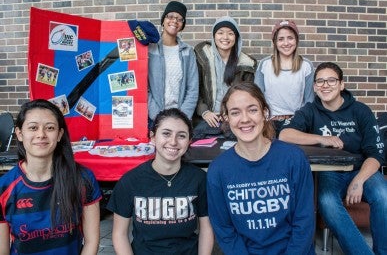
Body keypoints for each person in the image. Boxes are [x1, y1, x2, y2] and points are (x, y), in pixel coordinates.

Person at [279, 62, 387, 255]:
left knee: (383, 196)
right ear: (314, 87)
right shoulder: (310, 110)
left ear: (341, 85)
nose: (325, 85)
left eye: (331, 80)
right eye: (320, 81)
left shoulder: (361, 111)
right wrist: (322, 138)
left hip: (363, 169)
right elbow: (285, 135)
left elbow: (376, 154)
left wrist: (359, 180)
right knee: (327, 201)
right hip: (328, 171)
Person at [206, 82, 315, 254]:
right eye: (235, 112)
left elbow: (304, 221)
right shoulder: (218, 170)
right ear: (226, 118)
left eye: (252, 110)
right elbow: (225, 230)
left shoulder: (293, 158)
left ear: (265, 113)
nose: (244, 119)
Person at [0, 99, 101, 255]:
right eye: (33, 128)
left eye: (50, 128)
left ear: (59, 134)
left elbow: (91, 241)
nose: (41, 134)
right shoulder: (4, 187)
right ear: (20, 134)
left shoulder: (83, 179)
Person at [107, 108, 214, 255]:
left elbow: (206, 228)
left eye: (181, 136)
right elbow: (119, 234)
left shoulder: (199, 179)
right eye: (166, 133)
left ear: (189, 141)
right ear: (152, 137)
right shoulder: (130, 181)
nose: (173, 141)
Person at [193, 16, 257, 139]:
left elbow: (248, 96)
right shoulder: (203, 57)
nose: (225, 37)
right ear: (214, 36)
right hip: (209, 117)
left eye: (230, 33)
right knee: (196, 137)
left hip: (234, 118)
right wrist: (205, 112)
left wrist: (232, 113)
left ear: (236, 37)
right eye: (220, 33)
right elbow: (196, 88)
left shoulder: (247, 64)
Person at [254, 20, 315, 136]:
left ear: (296, 40)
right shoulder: (264, 64)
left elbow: (309, 101)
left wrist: (300, 121)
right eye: (281, 39)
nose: (286, 43)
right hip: (269, 122)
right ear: (275, 43)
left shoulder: (306, 66)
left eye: (290, 38)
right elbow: (257, 97)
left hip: (296, 122)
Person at [147, 1, 199, 127]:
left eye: (179, 19)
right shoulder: (150, 49)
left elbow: (193, 88)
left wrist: (183, 118)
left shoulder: (188, 52)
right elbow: (144, 88)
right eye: (170, 16)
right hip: (154, 118)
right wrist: (157, 116)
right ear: (163, 20)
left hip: (181, 118)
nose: (174, 21)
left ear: (182, 25)